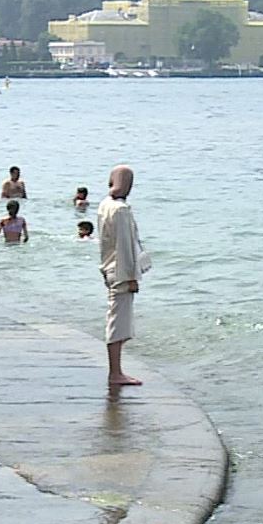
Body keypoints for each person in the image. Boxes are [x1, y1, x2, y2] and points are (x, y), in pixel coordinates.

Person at [97, 165, 146, 388]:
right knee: (118, 321)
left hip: (109, 267)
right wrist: (131, 277)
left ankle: (116, 371)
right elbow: (125, 246)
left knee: (116, 318)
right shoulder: (121, 210)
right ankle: (115, 372)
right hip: (121, 272)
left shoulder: (104, 205)